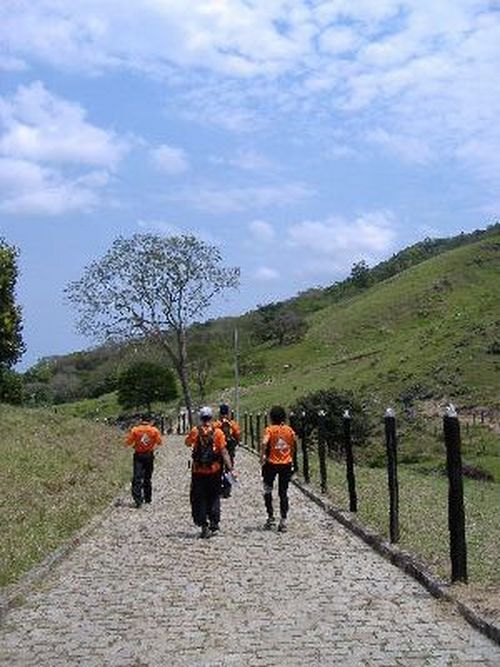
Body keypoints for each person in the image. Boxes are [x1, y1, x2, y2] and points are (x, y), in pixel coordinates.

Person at [185, 406, 235, 538]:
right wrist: (230, 469)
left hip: (198, 471)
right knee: (214, 497)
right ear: (211, 417)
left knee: (199, 497)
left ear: (201, 418)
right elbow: (224, 452)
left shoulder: (195, 431)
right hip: (215, 470)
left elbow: (187, 443)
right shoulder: (218, 433)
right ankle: (214, 521)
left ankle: (203, 524)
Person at [261, 405, 297, 532]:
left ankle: (270, 517)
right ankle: (283, 520)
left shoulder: (270, 429)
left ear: (271, 417)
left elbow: (264, 442)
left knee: (268, 490)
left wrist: (263, 455)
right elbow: (293, 444)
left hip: (271, 464)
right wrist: (289, 455)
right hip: (286, 464)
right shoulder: (289, 430)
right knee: (283, 492)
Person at [125, 415, 163, 508]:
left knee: (137, 477)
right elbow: (159, 442)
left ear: (141, 421)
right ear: (150, 421)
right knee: (147, 477)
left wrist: (136, 444)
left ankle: (138, 499)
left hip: (138, 455)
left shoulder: (135, 430)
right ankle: (148, 498)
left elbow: (128, 442)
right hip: (149, 455)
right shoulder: (154, 430)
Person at [214, 403, 241, 498]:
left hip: (218, 449)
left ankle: (218, 488)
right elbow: (237, 433)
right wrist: (237, 442)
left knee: (218, 468)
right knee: (229, 468)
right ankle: (227, 489)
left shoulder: (216, 424)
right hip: (230, 449)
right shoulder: (232, 424)